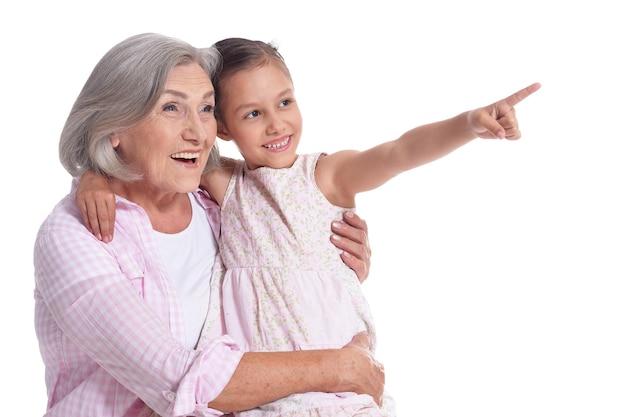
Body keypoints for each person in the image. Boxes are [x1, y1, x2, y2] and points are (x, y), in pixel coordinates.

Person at [78, 37, 540, 416]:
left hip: (339, 384)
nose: (276, 123)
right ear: (221, 128)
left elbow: (399, 152)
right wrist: (94, 177)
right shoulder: (224, 182)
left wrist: (468, 125)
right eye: (252, 114)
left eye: (285, 102)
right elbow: (151, 153)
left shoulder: (326, 176)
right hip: (262, 395)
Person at [34, 32, 384, 417]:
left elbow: (275, 288)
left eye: (205, 109)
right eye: (171, 108)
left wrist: (335, 261)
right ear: (114, 126)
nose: (198, 133)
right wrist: (340, 367)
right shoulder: (73, 236)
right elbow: (179, 379)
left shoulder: (222, 208)